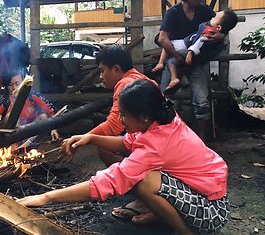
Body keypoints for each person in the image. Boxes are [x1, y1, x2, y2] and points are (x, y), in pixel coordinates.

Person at [17, 80, 230, 235]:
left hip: (210, 212)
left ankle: (186, 233)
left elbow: (110, 180)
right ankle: (160, 215)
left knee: (144, 181)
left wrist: (47, 197)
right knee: (146, 176)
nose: (120, 119)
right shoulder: (161, 121)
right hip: (205, 195)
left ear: (144, 116)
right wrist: (91, 137)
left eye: (124, 114)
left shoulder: (157, 144)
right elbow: (127, 142)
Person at [152, 0, 226, 141]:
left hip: (197, 62)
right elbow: (163, 38)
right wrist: (178, 57)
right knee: (164, 98)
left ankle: (202, 139)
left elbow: (221, 28)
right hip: (175, 59)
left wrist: (220, 36)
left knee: (202, 101)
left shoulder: (205, 11)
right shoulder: (173, 12)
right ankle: (164, 139)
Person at [85, 45, 157, 167]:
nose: (101, 77)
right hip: (157, 138)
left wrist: (83, 138)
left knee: (104, 147)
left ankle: (131, 174)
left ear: (116, 69)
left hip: (153, 143)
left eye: (102, 71)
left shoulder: (125, 84)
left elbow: (114, 126)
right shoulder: (142, 79)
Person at [154, 9, 238, 93]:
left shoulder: (208, 28)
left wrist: (190, 52)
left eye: (215, 17)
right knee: (171, 55)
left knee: (168, 51)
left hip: (186, 47)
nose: (212, 17)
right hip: (187, 47)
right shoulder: (175, 12)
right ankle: (179, 79)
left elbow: (199, 41)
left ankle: (166, 69)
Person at [0, 72, 59, 142]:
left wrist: (53, 129)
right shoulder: (5, 100)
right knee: (9, 116)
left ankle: (31, 142)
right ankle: (13, 144)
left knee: (43, 116)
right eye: (10, 85)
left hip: (32, 129)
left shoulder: (32, 95)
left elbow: (50, 109)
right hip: (12, 132)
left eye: (17, 83)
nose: (14, 88)